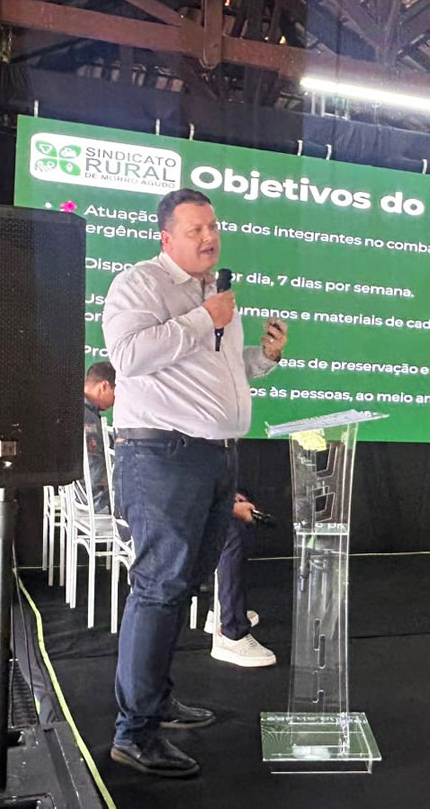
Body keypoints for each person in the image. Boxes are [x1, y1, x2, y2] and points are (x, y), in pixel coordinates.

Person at [101, 188, 288, 777]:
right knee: (159, 589)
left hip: (212, 457)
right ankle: (134, 733)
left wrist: (263, 358)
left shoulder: (216, 296)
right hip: (163, 456)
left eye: (213, 227)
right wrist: (203, 318)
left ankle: (157, 701)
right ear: (166, 237)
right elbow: (128, 356)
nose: (209, 237)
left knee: (180, 587)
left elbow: (218, 370)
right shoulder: (140, 284)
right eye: (195, 229)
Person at [204, 490, 276, 667]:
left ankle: (220, 611)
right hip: (163, 512)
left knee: (238, 523)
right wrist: (226, 506)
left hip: (177, 504)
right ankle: (232, 633)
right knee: (231, 532)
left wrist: (225, 496)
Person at [82, 361, 116, 513]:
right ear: (104, 386)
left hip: (79, 497)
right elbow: (94, 469)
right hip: (94, 503)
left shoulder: (77, 409)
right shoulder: (88, 419)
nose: (116, 401)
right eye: (116, 393)